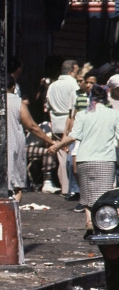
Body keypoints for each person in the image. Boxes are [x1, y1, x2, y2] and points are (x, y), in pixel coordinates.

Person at [49, 85, 119, 239]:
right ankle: (103, 224)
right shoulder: (114, 114)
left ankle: (88, 222)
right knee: (104, 194)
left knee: (87, 194)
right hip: (105, 159)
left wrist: (57, 146)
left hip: (84, 159)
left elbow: (73, 136)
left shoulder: (82, 114)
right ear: (106, 98)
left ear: (90, 98)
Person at [4, 76, 55, 203]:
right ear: (13, 87)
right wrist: (50, 141)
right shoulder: (16, 102)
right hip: (13, 147)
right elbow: (32, 126)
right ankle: (12, 215)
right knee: (16, 187)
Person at [63, 70, 98, 208]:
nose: (88, 85)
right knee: (75, 167)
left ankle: (90, 199)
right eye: (87, 82)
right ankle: (84, 196)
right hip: (79, 136)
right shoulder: (81, 98)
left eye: (92, 83)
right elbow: (74, 116)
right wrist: (67, 135)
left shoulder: (102, 99)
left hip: (94, 136)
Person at [44, 59, 80, 194]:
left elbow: (47, 106)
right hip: (68, 122)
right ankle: (71, 188)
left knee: (61, 156)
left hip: (55, 122)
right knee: (71, 156)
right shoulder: (74, 84)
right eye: (77, 71)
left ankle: (65, 188)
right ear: (71, 71)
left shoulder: (52, 85)